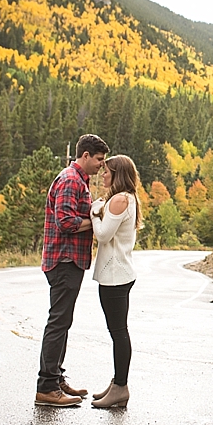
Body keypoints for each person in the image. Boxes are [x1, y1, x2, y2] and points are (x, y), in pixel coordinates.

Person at [35, 134, 109, 407]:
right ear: (86, 155)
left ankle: (55, 379)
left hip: (71, 261)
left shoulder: (80, 181)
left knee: (63, 322)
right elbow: (65, 222)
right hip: (64, 261)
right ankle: (46, 387)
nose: (101, 166)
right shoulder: (70, 180)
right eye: (99, 160)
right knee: (58, 322)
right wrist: (96, 219)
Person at [88, 154, 141, 409]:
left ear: (118, 173)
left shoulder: (119, 199)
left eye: (107, 171)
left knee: (119, 332)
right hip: (119, 274)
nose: (103, 174)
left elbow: (103, 234)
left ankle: (120, 387)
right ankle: (117, 383)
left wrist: (93, 211)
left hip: (115, 276)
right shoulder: (125, 198)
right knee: (117, 331)